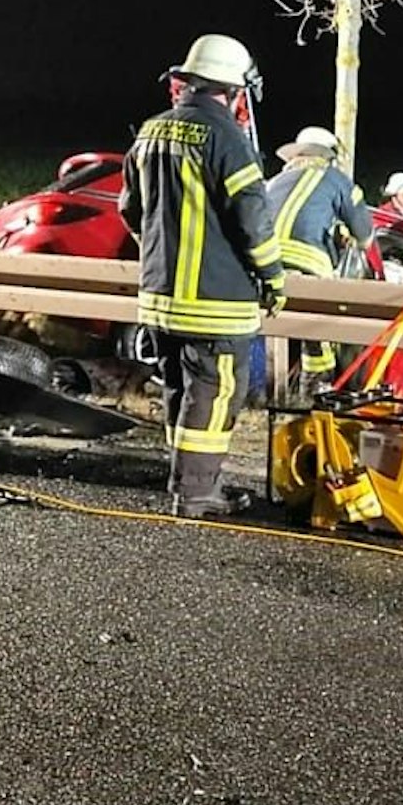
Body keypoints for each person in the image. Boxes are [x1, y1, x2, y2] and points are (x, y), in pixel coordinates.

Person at [120, 33, 285, 517]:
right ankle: (196, 494)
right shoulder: (230, 143)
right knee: (213, 397)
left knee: (179, 387)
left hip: (159, 295)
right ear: (233, 91)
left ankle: (183, 481)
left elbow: (131, 209)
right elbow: (252, 221)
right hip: (216, 302)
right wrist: (273, 278)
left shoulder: (149, 132)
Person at [265, 126, 373, 393]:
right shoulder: (337, 180)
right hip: (308, 267)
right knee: (321, 331)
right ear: (330, 156)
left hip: (262, 268)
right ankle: (316, 388)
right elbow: (365, 236)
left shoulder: (273, 182)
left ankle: (271, 391)